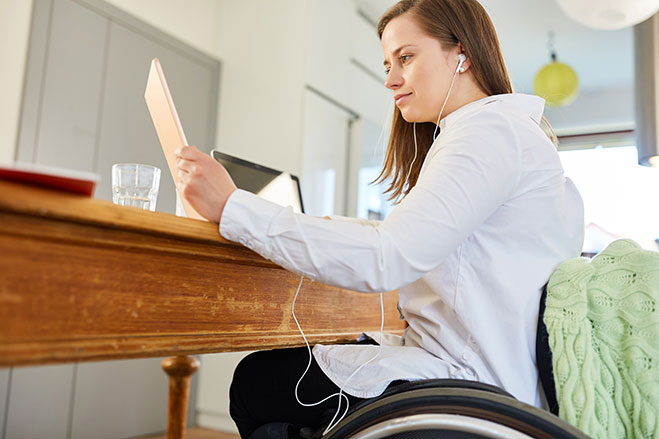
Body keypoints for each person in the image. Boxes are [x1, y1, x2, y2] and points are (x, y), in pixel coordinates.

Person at [174, 0, 585, 437]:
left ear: (461, 52)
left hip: (470, 379)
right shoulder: (501, 132)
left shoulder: (485, 135)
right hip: (485, 371)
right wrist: (337, 229)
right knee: (283, 377)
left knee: (259, 383)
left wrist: (233, 206)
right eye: (387, 64)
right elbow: (420, 239)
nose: (390, 79)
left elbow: (390, 256)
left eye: (405, 58)